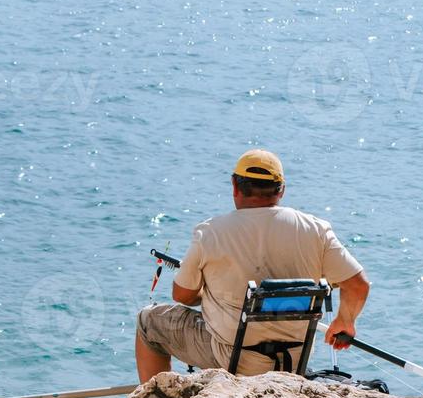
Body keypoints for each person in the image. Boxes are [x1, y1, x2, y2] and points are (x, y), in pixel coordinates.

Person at [135, 149, 370, 381]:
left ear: (235, 187)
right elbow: (358, 285)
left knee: (148, 321)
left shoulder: (210, 233)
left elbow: (182, 296)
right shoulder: (316, 229)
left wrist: (209, 291)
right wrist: (345, 321)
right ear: (282, 191)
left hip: (231, 358)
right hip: (293, 361)